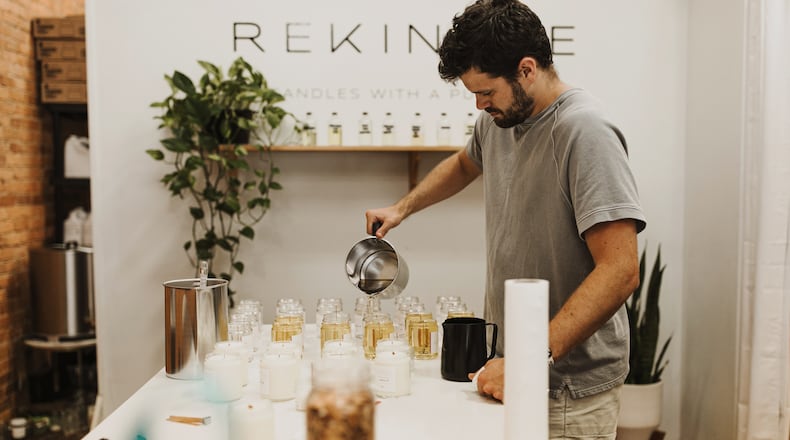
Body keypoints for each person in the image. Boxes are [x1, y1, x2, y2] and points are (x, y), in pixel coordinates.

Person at [364, 0, 646, 438]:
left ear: (527, 69)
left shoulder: (584, 131)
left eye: (486, 91)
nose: (479, 104)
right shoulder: (498, 123)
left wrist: (529, 360)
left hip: (565, 389)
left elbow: (621, 270)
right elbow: (463, 164)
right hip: (513, 371)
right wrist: (402, 208)